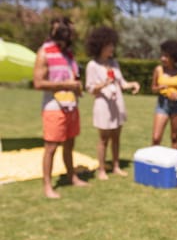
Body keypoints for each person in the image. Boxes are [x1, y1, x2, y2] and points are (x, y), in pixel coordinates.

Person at [33, 16, 88, 199]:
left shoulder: (69, 54)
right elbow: (38, 83)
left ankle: (72, 176)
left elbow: (73, 78)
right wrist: (65, 84)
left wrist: (77, 86)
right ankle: (48, 185)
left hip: (71, 105)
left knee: (70, 143)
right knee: (51, 147)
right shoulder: (44, 52)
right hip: (53, 106)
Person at [84, 26, 140, 180]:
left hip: (117, 104)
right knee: (103, 139)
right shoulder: (92, 65)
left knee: (116, 138)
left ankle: (116, 166)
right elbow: (90, 89)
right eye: (109, 45)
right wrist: (104, 83)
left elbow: (122, 83)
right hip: (103, 105)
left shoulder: (114, 63)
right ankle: (101, 169)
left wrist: (133, 84)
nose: (112, 48)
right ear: (101, 45)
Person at [151, 39, 177, 149]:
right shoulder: (158, 70)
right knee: (156, 137)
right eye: (162, 55)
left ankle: (174, 164)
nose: (162, 59)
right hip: (162, 104)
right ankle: (153, 162)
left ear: (174, 58)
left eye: (166, 56)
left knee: (174, 137)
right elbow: (153, 88)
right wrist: (159, 88)